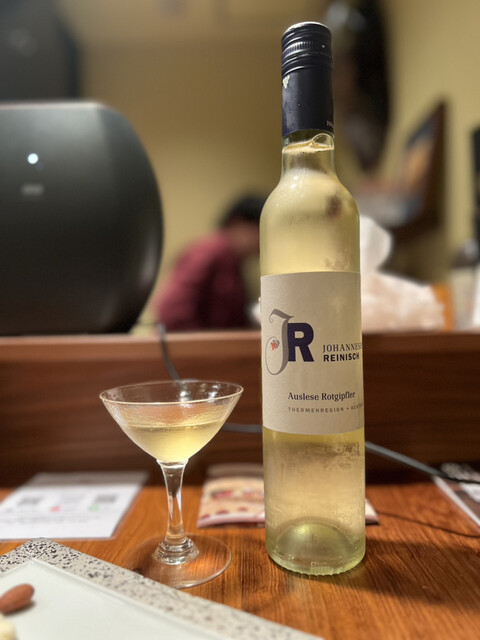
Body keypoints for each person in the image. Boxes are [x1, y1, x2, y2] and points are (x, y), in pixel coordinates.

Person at [153, 195, 264, 331]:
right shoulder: (212, 251)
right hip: (191, 344)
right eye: (261, 229)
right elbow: (173, 311)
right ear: (238, 223)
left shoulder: (232, 260)